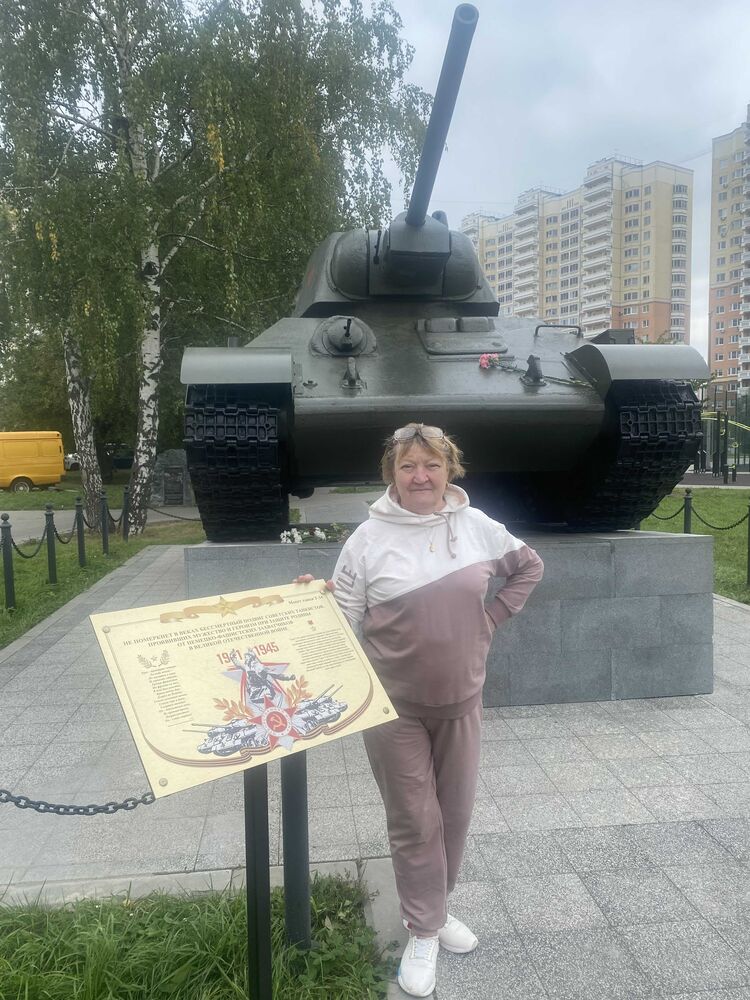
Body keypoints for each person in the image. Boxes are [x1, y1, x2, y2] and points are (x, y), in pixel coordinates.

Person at [297, 422, 543, 997]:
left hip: (462, 701)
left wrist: (490, 619)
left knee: (453, 816)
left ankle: (434, 907)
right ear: (393, 474)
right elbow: (344, 616)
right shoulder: (367, 539)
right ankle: (424, 929)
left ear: (449, 469)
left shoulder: (477, 526)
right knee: (415, 820)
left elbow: (529, 566)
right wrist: (310, 602)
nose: (421, 476)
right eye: (408, 465)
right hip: (393, 708)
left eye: (432, 464)